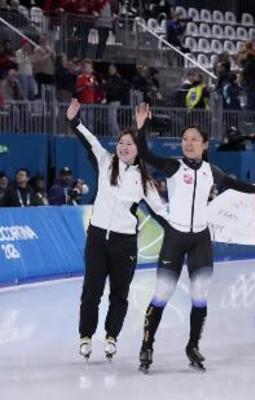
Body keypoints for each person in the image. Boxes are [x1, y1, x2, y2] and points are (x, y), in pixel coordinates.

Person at [134, 103, 255, 372]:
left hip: (200, 239)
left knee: (200, 296)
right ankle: (147, 345)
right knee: (162, 294)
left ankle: (193, 346)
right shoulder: (174, 167)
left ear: (205, 144)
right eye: (185, 139)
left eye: (194, 139)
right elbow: (145, 154)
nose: (188, 143)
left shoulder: (212, 171)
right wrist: (142, 127)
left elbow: (236, 185)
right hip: (175, 237)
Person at [65, 99, 168, 362]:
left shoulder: (143, 180)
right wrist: (74, 121)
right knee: (92, 291)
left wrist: (179, 234)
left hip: (125, 243)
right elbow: (89, 140)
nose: (123, 147)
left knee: (119, 294)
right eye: (120, 142)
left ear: (138, 149)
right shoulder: (105, 162)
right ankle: (86, 336)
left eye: (129, 144)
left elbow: (160, 212)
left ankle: (112, 336)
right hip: (98, 238)